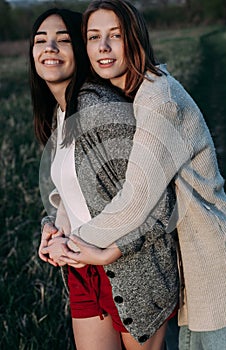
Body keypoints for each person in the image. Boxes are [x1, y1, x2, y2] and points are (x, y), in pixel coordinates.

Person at [46, 1, 226, 349]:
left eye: (114, 35)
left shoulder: (158, 99)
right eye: (93, 37)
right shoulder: (131, 96)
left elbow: (135, 200)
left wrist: (72, 246)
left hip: (211, 261)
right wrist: (55, 224)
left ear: (135, 39)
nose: (103, 47)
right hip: (185, 263)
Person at [31, 7, 179, 350]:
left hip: (134, 270)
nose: (50, 47)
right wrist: (52, 228)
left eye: (63, 40)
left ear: (81, 51)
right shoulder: (61, 112)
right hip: (84, 271)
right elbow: (73, 193)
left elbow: (160, 203)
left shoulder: (99, 108)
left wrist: (107, 253)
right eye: (41, 41)